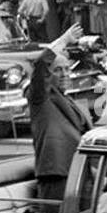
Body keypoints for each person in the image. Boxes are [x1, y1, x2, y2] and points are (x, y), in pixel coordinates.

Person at [28, 24, 89, 203]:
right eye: (57, 70)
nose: (64, 74)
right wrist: (64, 39)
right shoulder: (41, 98)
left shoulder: (70, 101)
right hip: (56, 175)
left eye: (67, 69)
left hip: (79, 173)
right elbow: (41, 63)